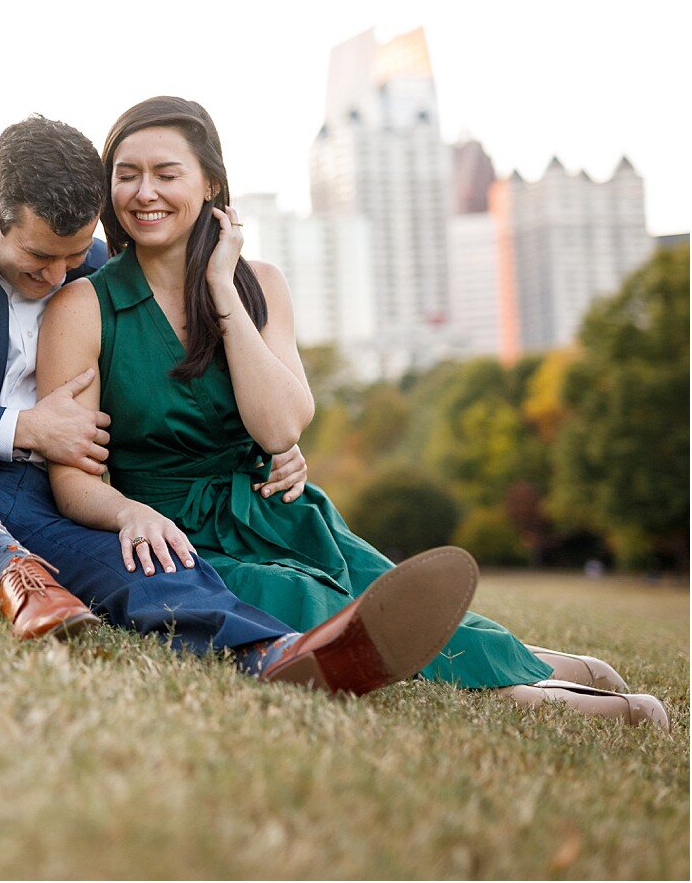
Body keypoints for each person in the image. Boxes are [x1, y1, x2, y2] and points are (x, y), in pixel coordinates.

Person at [0, 114, 479, 696]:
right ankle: (1, 562)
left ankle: (269, 650)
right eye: (39, 262)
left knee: (135, 547)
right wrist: (20, 427)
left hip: (33, 495)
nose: (60, 277)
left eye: (74, 257)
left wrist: (273, 444)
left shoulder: (91, 275)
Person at [36, 95, 668, 727]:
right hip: (176, 538)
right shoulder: (83, 307)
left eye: (166, 174)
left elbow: (281, 427)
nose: (144, 193)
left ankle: (540, 664)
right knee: (314, 606)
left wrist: (222, 289)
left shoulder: (259, 284)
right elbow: (70, 479)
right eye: (127, 174)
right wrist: (130, 512)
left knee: (389, 599)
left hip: (279, 513)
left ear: (211, 185)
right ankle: (532, 698)